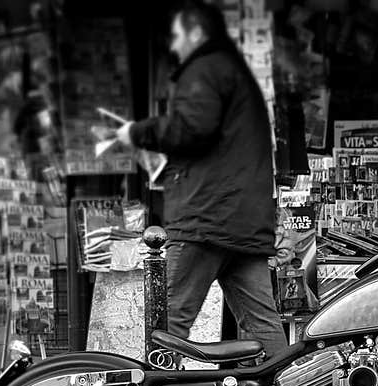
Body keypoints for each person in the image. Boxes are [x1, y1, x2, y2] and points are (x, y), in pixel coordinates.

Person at [116, 0, 287, 360]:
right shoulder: (234, 71)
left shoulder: (206, 68)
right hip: (243, 223)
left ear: (196, 33)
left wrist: (139, 131)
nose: (174, 46)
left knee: (168, 322)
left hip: (206, 218)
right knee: (262, 323)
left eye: (177, 36)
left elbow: (192, 128)